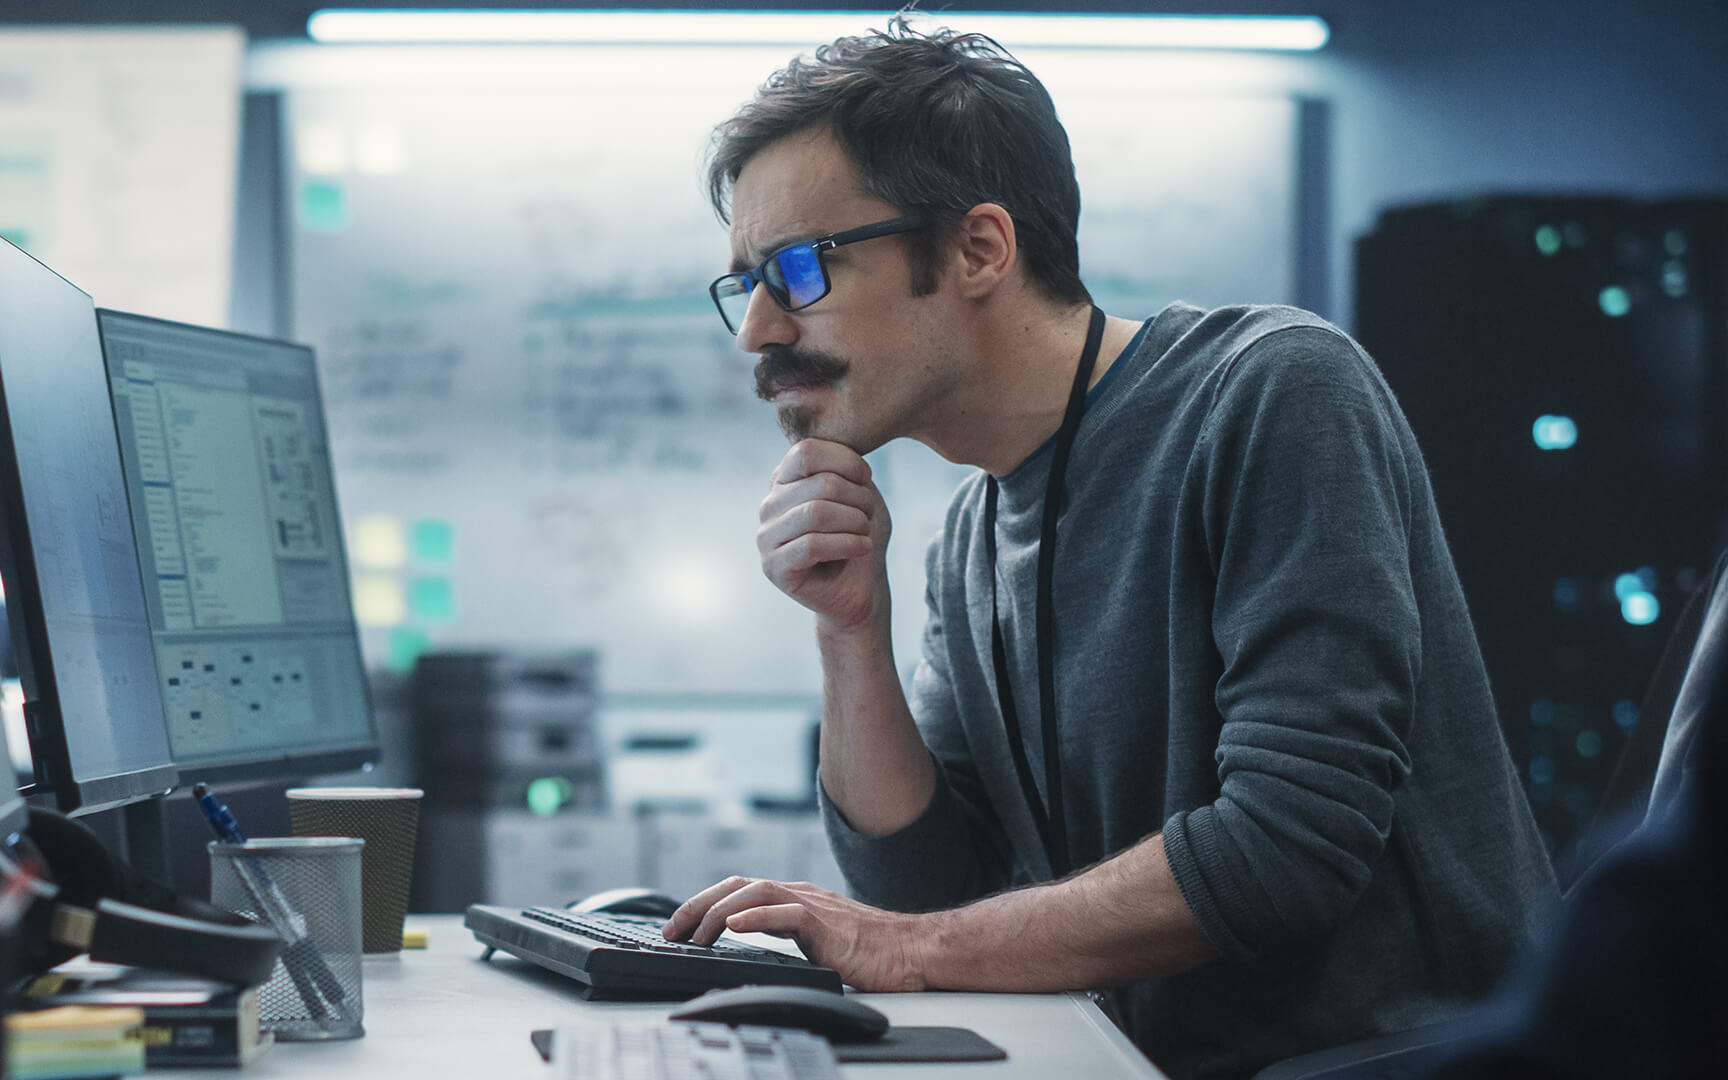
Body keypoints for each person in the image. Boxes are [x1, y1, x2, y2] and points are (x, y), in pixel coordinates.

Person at [663, 19, 1556, 1079]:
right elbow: (931, 892)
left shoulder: (1272, 392)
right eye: (746, 285)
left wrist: (902, 947)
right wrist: (849, 628)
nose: (756, 331)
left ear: (978, 250)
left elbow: (1288, 849)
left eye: (800, 268)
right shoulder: (970, 540)